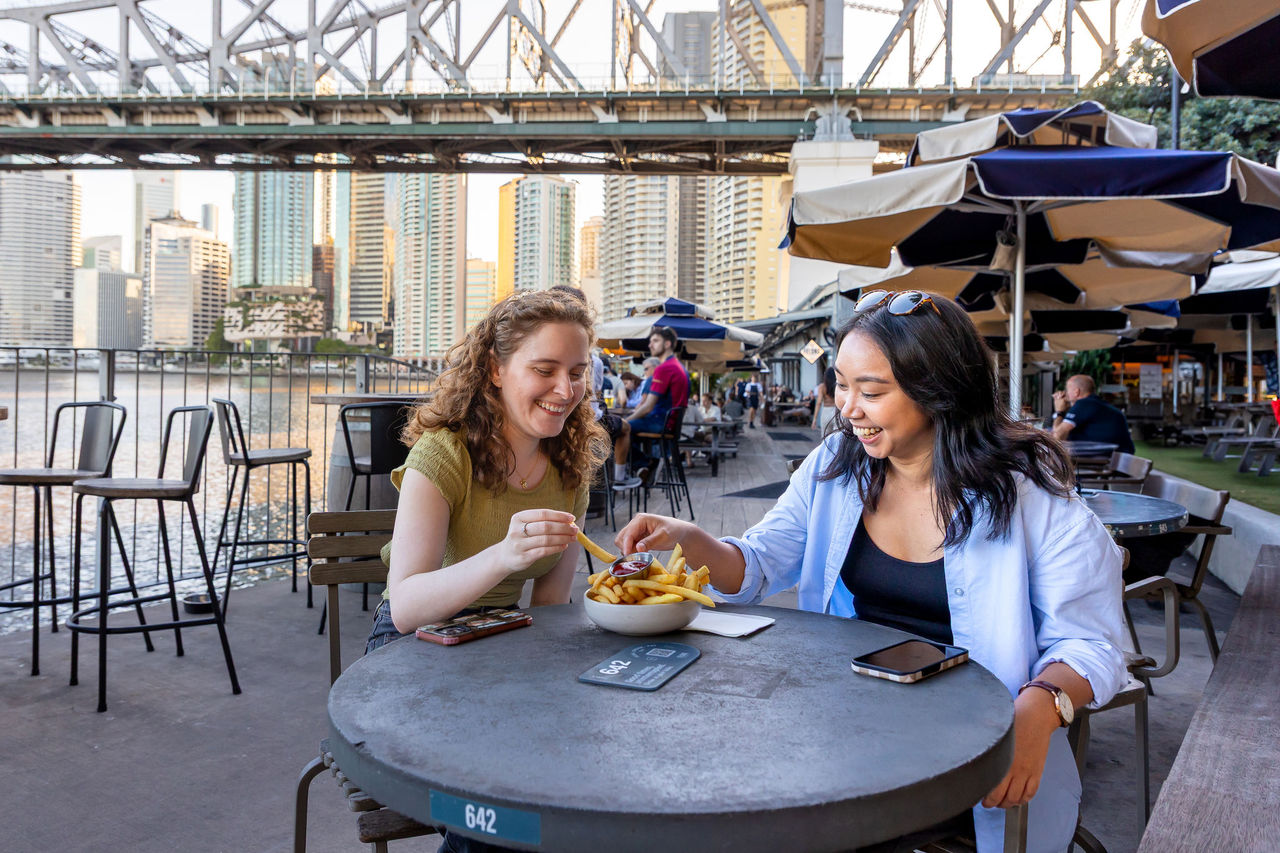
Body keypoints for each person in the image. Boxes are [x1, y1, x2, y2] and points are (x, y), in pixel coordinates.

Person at [617, 290, 1127, 853]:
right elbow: (758, 565)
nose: (848, 408)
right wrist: (693, 540)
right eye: (841, 384)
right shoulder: (834, 467)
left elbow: (1090, 643)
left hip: (974, 749)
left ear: (939, 391)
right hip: (847, 724)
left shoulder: (1031, 496)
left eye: (872, 391)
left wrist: (1041, 706)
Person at [367, 288, 609, 656]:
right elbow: (405, 608)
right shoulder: (443, 453)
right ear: (496, 369)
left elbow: (551, 603)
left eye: (577, 373)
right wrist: (504, 556)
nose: (565, 390)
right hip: (411, 643)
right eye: (545, 370)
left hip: (502, 635)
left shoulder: (570, 464)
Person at [626, 327, 689, 436]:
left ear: (667, 344)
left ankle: (633, 454)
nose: (650, 345)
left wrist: (625, 421)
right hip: (671, 424)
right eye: (650, 342)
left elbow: (648, 407)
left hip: (661, 422)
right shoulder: (679, 366)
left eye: (655, 341)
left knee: (617, 428)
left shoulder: (664, 368)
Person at [1050, 374, 1135, 454]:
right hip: (1119, 458)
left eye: (1067, 390)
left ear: (1076, 392)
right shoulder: (1096, 404)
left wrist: (1059, 412)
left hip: (1104, 461)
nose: (1065, 393)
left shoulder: (1083, 403)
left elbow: (1057, 437)